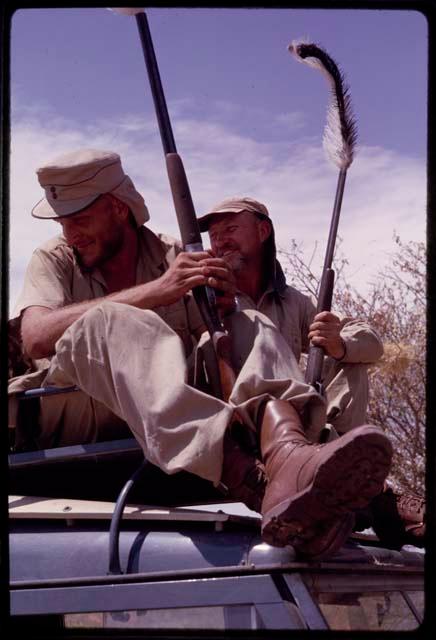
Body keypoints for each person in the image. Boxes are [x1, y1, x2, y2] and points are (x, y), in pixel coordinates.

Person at [8, 149, 394, 560]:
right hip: (68, 409)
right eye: (63, 223)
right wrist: (157, 293)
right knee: (112, 322)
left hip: (161, 410)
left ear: (118, 209)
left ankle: (291, 453)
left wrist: (223, 306)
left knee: (251, 320)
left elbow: (218, 341)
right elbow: (34, 337)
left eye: (79, 219)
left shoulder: (175, 254)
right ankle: (252, 482)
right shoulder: (54, 258)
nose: (70, 234)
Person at [197, 196, 426, 550]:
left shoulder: (294, 303)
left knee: (353, 365)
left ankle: (341, 471)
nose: (220, 240)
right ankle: (374, 499)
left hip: (300, 431)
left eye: (230, 229)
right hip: (236, 425)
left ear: (262, 231)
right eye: (214, 234)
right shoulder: (206, 294)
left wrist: (337, 343)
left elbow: (372, 343)